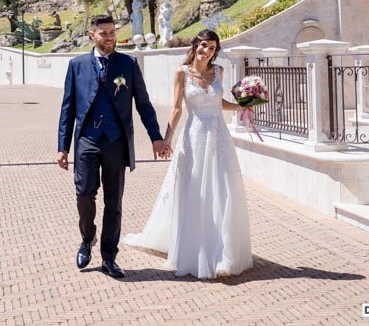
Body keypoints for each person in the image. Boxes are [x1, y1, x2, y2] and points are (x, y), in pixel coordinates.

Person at [122, 29, 253, 279]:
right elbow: (176, 108)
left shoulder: (219, 72)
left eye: (213, 48)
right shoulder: (182, 73)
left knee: (222, 190)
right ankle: (195, 249)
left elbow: (218, 101)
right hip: (193, 138)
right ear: (195, 46)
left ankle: (222, 254)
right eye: (204, 46)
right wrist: (166, 140)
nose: (207, 51)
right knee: (195, 192)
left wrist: (241, 106)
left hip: (219, 138)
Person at [57, 14, 170, 279]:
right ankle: (87, 238)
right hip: (86, 139)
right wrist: (62, 147)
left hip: (116, 142)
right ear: (92, 36)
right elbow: (68, 107)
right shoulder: (77, 65)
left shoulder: (128, 63)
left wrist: (156, 137)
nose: (109, 37)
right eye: (104, 33)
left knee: (114, 202)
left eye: (112, 32)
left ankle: (109, 256)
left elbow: (143, 104)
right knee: (84, 194)